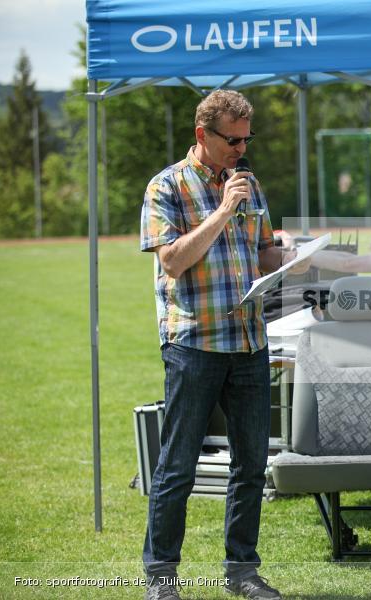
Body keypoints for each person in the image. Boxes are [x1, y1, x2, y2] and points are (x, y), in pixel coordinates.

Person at [139, 90, 309, 600]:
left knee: (251, 466)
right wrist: (222, 210)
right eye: (232, 140)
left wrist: (295, 255)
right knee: (177, 466)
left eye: (246, 139)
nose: (241, 149)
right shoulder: (167, 185)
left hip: (249, 342)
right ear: (202, 134)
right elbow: (172, 261)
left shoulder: (248, 183)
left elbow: (262, 254)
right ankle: (161, 580)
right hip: (194, 343)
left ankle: (243, 573)